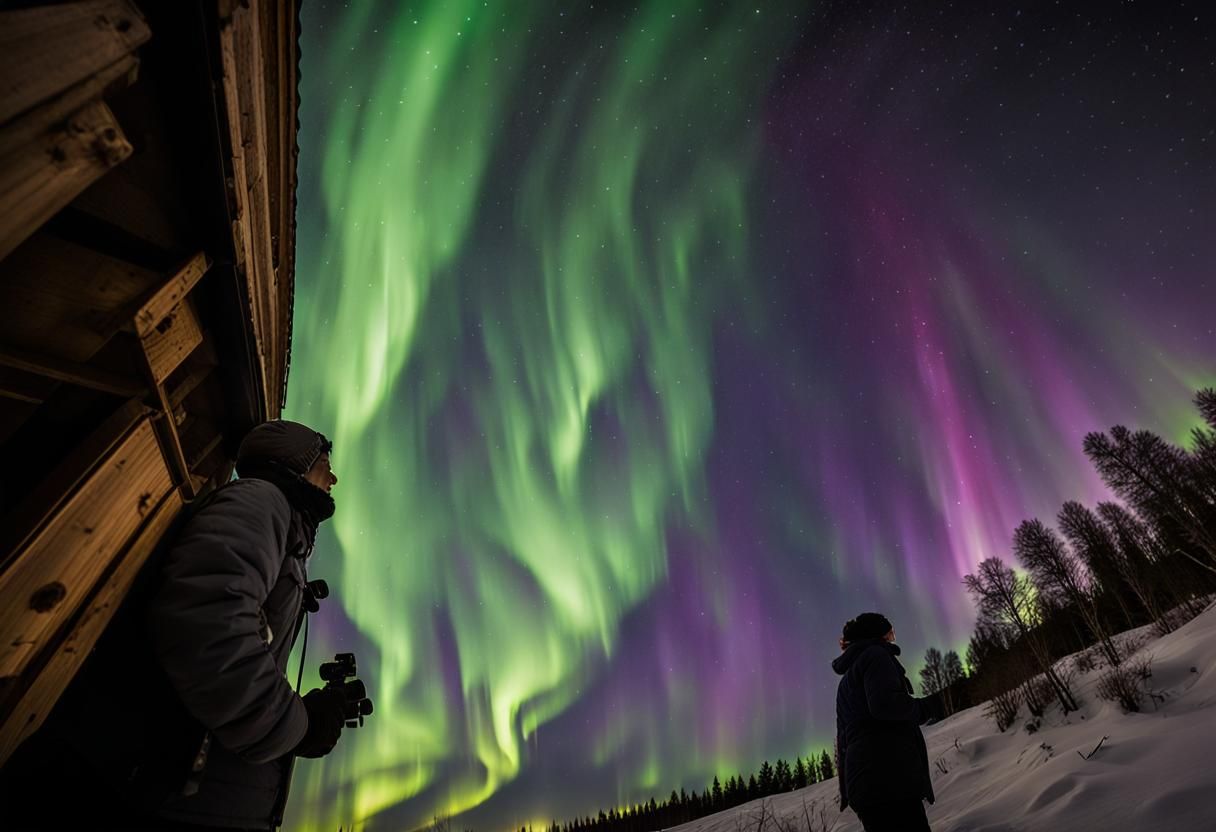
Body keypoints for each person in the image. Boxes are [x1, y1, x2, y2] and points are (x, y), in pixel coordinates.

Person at [1, 419, 349, 831]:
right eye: (325, 462)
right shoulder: (263, 501)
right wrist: (299, 726)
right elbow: (209, 625)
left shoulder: (283, 528)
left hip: (175, 793)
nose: (333, 477)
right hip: (145, 794)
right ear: (300, 461)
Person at [832, 612, 942, 832]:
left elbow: (843, 741)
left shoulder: (846, 682)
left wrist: (847, 790)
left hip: (864, 786)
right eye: (889, 634)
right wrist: (925, 708)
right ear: (877, 636)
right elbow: (885, 705)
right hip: (888, 778)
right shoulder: (875, 655)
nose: (892, 639)